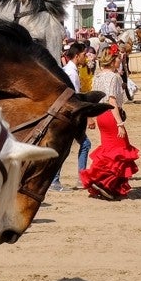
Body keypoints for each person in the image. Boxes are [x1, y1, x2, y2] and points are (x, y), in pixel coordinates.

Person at [79, 45, 141, 200]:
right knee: (120, 151)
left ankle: (108, 184)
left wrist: (91, 117)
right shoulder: (114, 77)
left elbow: (93, 98)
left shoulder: (98, 76)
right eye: (118, 58)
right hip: (111, 115)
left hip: (101, 115)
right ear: (113, 60)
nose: (120, 61)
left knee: (109, 149)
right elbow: (112, 101)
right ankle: (104, 182)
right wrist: (120, 124)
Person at [52, 42, 90, 191]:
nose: (85, 57)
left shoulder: (69, 70)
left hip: (67, 113)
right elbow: (73, 96)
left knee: (69, 146)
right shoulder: (72, 73)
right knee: (71, 146)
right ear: (77, 55)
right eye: (84, 55)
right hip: (71, 114)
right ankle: (60, 179)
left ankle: (75, 179)